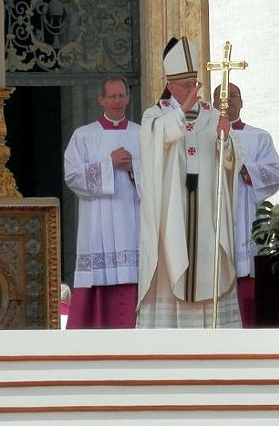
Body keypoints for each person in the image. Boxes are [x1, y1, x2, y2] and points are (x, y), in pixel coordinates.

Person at [137, 36, 242, 328]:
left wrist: (226, 138)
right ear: (171, 86)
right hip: (172, 212)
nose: (193, 90)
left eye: (194, 83)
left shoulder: (211, 115)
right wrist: (181, 111)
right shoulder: (155, 116)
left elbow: (229, 162)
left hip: (206, 209)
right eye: (186, 86)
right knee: (172, 259)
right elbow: (158, 139)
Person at [63, 76, 141, 328]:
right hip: (98, 222)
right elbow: (73, 176)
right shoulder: (84, 136)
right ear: (101, 99)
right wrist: (109, 164)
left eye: (122, 96)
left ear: (129, 98)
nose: (117, 101)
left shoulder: (142, 134)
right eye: (112, 96)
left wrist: (134, 168)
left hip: (132, 220)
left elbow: (159, 176)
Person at [213, 83, 279, 327]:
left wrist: (246, 170)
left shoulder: (259, 137)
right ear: (213, 103)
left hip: (246, 215)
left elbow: (276, 173)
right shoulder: (201, 137)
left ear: (241, 102)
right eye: (221, 97)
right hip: (213, 214)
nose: (227, 101)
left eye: (233, 96)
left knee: (248, 279)